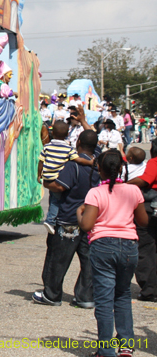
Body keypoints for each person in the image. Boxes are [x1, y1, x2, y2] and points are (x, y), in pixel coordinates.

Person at [78, 150, 148, 357]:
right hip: (128, 246)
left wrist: (79, 213)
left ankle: (106, 349)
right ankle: (126, 345)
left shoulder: (95, 193)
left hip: (103, 246)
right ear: (120, 169)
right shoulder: (133, 190)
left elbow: (87, 225)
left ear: (98, 168)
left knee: (104, 299)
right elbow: (143, 221)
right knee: (123, 294)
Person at [33, 129, 99, 308]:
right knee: (88, 260)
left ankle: (52, 295)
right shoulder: (99, 164)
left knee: (58, 258)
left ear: (78, 143)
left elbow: (60, 187)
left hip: (69, 218)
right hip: (92, 220)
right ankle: (86, 297)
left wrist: (46, 182)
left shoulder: (73, 166)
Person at [39, 120, 94, 234]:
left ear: (52, 133)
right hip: (58, 177)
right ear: (67, 135)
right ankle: (51, 221)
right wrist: (89, 163)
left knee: (53, 198)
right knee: (56, 200)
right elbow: (77, 159)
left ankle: (50, 219)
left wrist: (39, 175)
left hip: (48, 176)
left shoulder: (47, 147)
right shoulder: (68, 149)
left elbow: (41, 161)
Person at [128, 139, 157, 302]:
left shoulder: (154, 162)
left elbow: (145, 179)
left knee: (145, 247)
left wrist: (125, 185)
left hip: (150, 207)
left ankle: (150, 289)